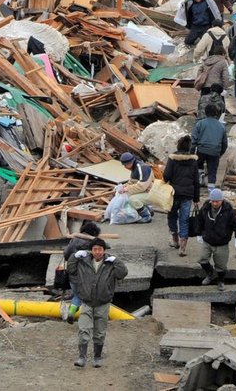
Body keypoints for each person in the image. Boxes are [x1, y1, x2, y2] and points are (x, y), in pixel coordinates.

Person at [66, 238, 128, 368]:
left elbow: (122, 273)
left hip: (103, 303)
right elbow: (70, 269)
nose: (97, 252)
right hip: (87, 303)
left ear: (104, 250)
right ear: (91, 250)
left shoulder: (110, 263)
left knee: (99, 332)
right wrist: (74, 256)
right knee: (83, 330)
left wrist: (116, 261)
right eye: (95, 249)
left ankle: (97, 357)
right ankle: (82, 358)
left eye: (100, 249)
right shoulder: (83, 261)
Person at [196, 189, 236, 292]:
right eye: (213, 201)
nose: (215, 203)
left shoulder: (229, 210)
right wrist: (198, 233)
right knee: (203, 259)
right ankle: (210, 274)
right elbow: (200, 220)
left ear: (222, 200)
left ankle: (221, 281)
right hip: (208, 240)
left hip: (222, 242)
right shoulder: (205, 208)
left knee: (221, 266)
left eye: (217, 201)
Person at [162, 136, 200, 255]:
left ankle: (175, 240)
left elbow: (166, 176)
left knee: (172, 216)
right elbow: (196, 181)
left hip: (174, 194)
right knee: (184, 220)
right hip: (188, 195)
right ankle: (182, 248)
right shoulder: (193, 161)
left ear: (178, 145)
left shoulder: (172, 159)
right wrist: (196, 199)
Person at [59, 220, 102, 320]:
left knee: (77, 295)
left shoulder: (74, 241)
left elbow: (66, 255)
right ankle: (90, 316)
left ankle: (72, 312)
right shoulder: (94, 244)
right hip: (87, 276)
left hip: (73, 276)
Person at [191, 103, 228, 188]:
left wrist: (192, 153)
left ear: (205, 112)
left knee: (198, 163)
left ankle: (199, 180)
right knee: (212, 171)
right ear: (216, 113)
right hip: (215, 152)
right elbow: (225, 144)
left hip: (202, 150)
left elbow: (193, 140)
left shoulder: (200, 124)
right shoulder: (221, 126)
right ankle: (211, 190)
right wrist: (219, 153)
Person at [118, 152, 155, 223]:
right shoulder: (134, 168)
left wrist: (127, 189)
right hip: (147, 192)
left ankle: (146, 217)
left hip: (152, 193)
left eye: (124, 165)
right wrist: (123, 187)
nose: (124, 167)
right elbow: (132, 182)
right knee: (128, 193)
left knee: (132, 199)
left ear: (128, 163)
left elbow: (142, 186)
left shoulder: (143, 168)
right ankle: (149, 210)